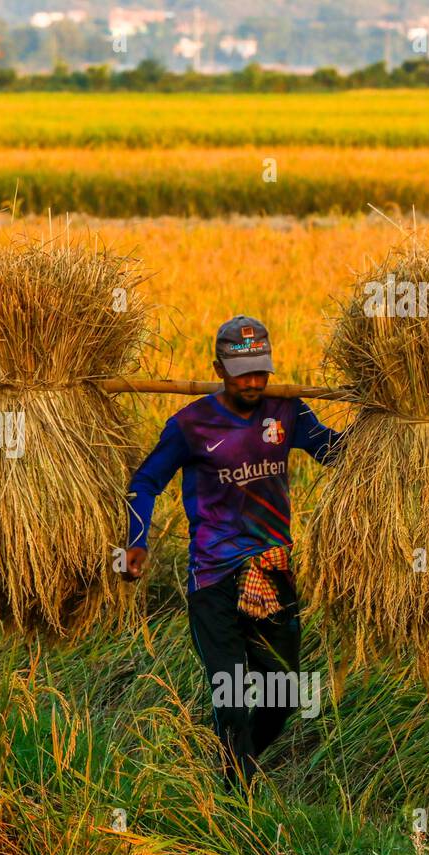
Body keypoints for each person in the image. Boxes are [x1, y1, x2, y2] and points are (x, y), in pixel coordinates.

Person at [121, 316, 345, 791]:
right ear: (218, 367)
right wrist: (136, 543)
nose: (253, 381)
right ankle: (237, 801)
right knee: (232, 695)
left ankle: (234, 768)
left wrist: (384, 424)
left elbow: (332, 450)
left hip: (273, 574)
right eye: (242, 370)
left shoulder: (287, 412)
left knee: (282, 696)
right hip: (214, 580)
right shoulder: (191, 425)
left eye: (260, 370)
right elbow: (145, 481)